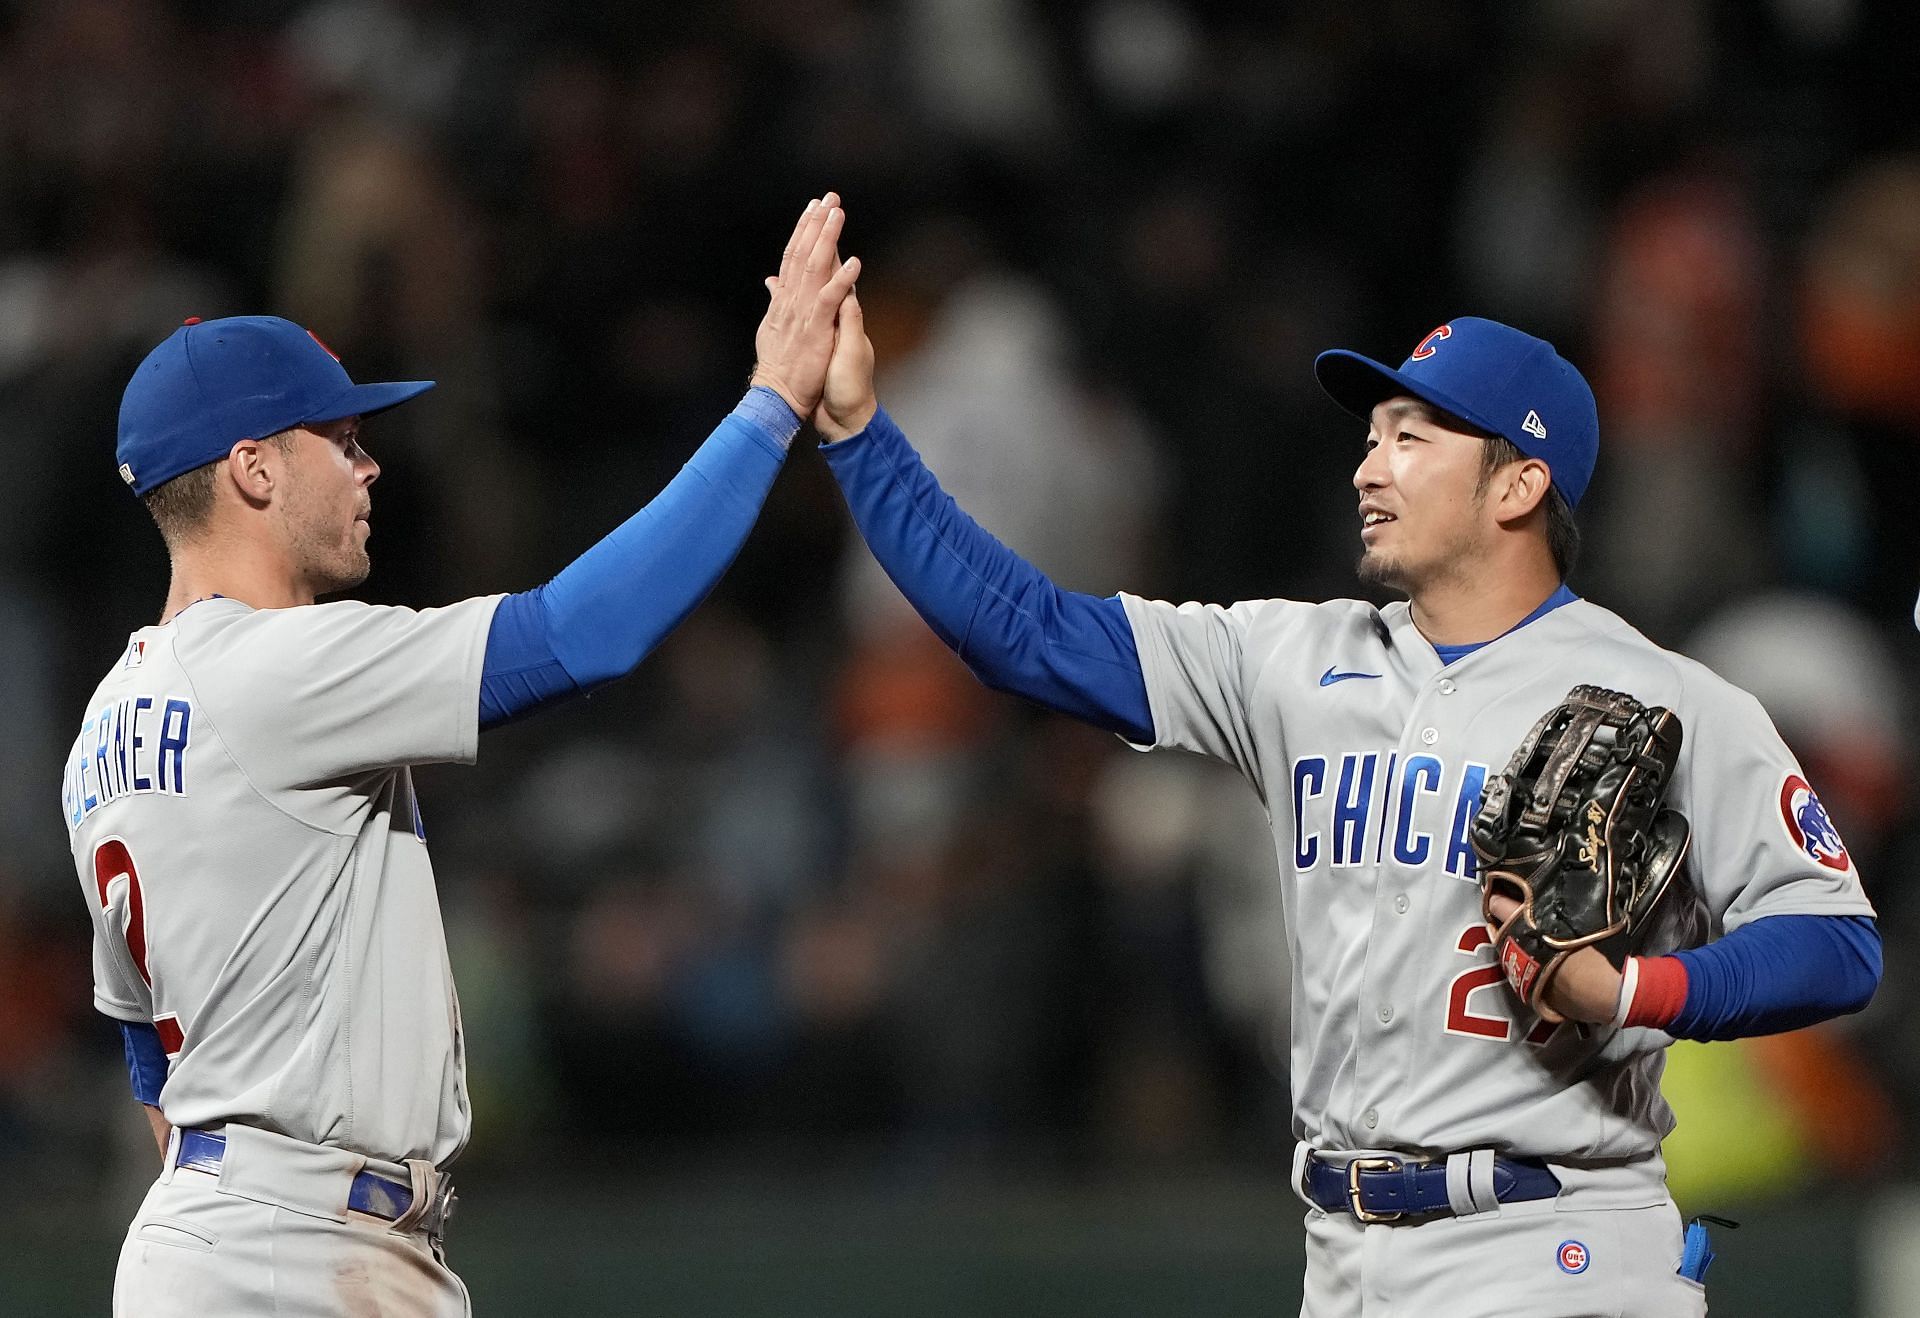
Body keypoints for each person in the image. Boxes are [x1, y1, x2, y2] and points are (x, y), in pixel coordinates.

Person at [808, 289, 1881, 1316]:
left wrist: (1639, 988)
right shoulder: (1294, 660)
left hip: (1555, 1245)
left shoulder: (1667, 698)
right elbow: (1027, 631)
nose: (1370, 467)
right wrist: (858, 430)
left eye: (1413, 439)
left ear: (1517, 486)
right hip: (1344, 1253)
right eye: (1372, 437)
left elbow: (1837, 942)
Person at [63, 195, 859, 1317]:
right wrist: (771, 405)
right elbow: (585, 632)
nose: (369, 466)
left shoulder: (105, 723)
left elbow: (148, 1050)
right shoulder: (274, 669)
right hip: (296, 1248)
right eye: (338, 440)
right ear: (252, 470)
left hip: (226, 1235)